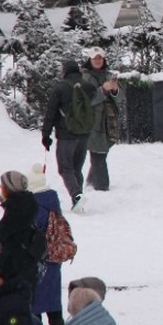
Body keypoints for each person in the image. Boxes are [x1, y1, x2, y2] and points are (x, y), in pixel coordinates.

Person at [40, 59, 98, 211]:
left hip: (67, 134)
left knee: (65, 169)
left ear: (64, 71)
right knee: (76, 168)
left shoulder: (60, 87)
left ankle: (76, 195)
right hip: (84, 134)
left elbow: (51, 112)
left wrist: (46, 134)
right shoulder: (89, 87)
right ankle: (77, 200)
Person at [28, 164, 65, 325]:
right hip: (54, 257)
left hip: (39, 258)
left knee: (35, 299)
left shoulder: (35, 204)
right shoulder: (52, 199)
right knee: (53, 298)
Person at [0, 169, 41, 291]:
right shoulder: (27, 204)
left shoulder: (16, 208)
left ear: (9, 188)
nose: (0, 187)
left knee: (14, 303)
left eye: (3, 185)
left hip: (15, 264)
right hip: (27, 263)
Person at [81, 47, 120, 192]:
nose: (97, 61)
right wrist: (103, 90)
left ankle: (91, 181)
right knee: (98, 153)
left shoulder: (108, 75)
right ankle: (102, 186)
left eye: (100, 58)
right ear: (90, 60)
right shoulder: (84, 77)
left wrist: (115, 90)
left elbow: (120, 98)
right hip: (92, 121)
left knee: (101, 151)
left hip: (109, 121)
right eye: (94, 58)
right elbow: (87, 100)